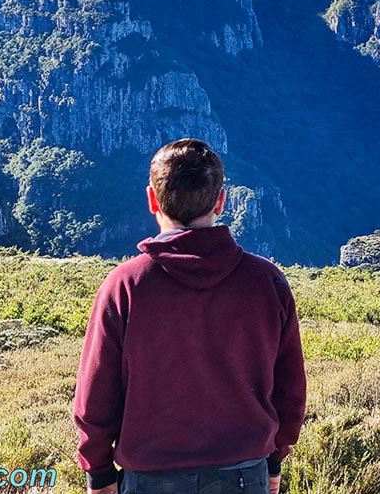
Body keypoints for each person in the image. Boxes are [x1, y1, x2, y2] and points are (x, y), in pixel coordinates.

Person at [73, 138, 307, 494]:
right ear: (221, 201)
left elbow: (95, 396)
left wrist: (99, 473)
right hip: (244, 477)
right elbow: (291, 391)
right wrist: (274, 461)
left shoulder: (125, 285)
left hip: (149, 481)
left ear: (152, 199)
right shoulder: (266, 282)